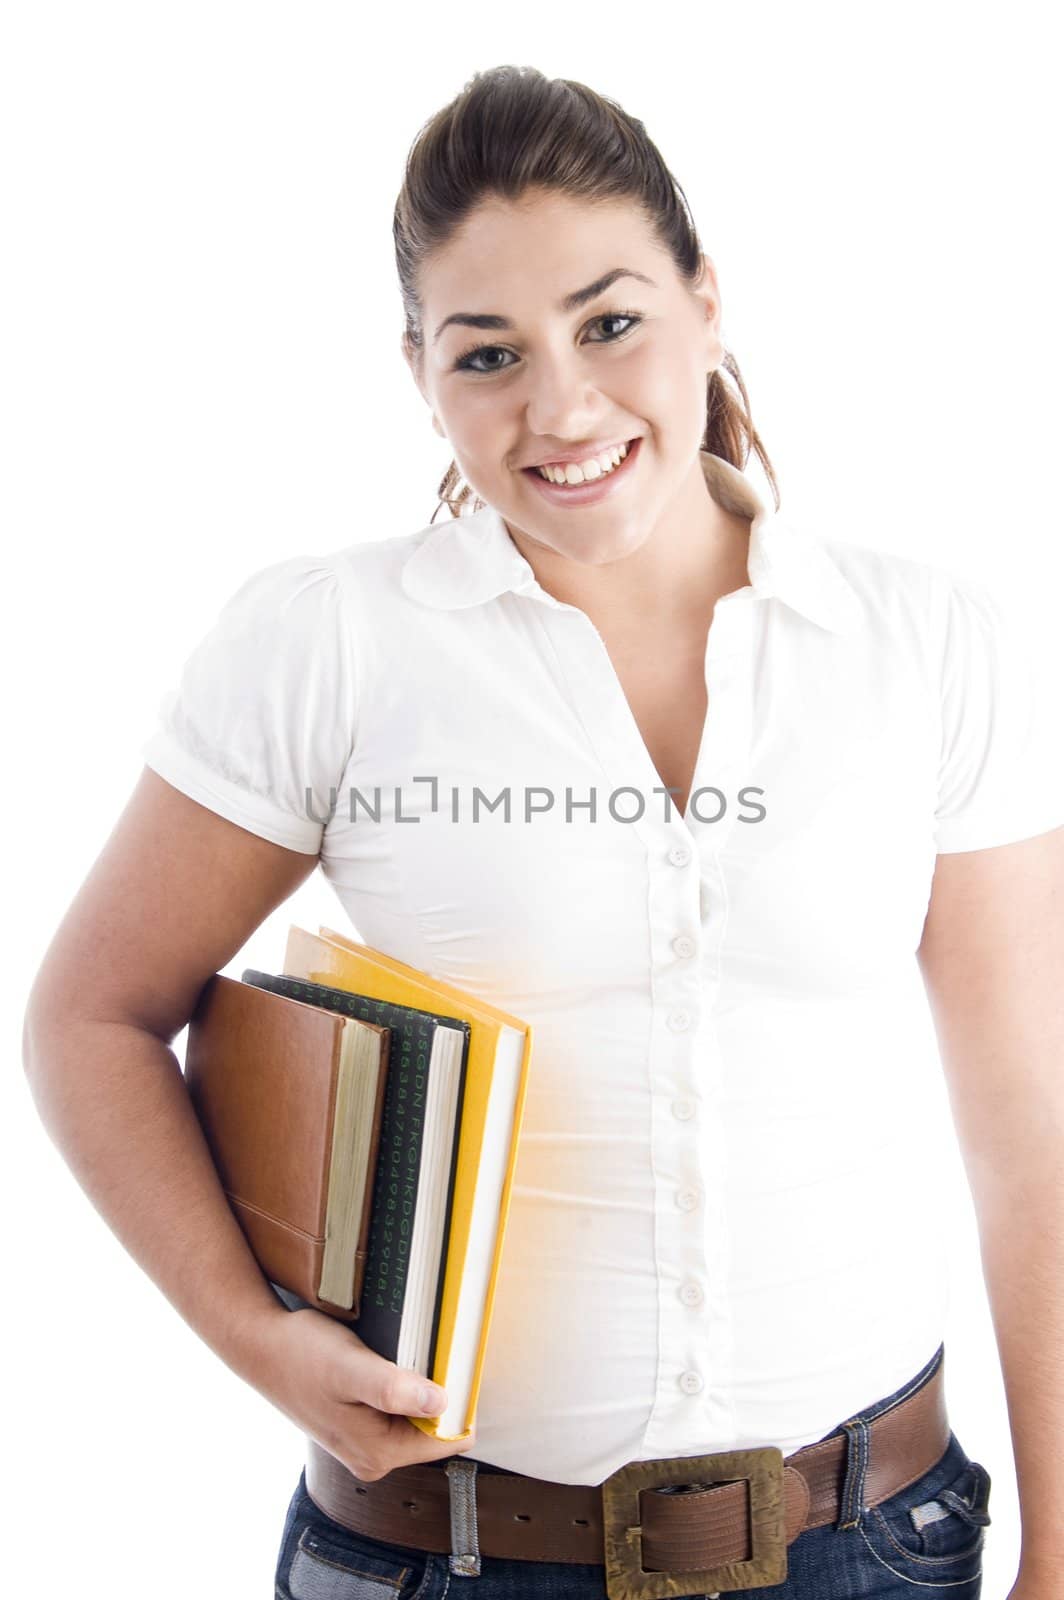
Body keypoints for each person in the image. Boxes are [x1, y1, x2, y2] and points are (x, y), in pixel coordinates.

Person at [22, 63, 1063, 1600]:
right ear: (417, 370)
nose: (562, 405)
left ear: (709, 303)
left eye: (612, 321)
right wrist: (255, 1343)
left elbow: (1028, 1136)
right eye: (488, 353)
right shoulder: (330, 642)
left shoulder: (928, 644)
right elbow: (91, 1016)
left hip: (873, 1548)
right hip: (442, 1560)